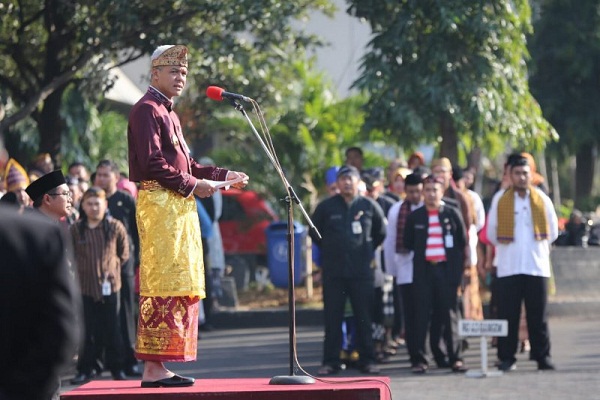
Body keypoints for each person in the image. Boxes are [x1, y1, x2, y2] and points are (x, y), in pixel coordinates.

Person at [127, 44, 248, 388]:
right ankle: (153, 368)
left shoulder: (170, 113)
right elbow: (153, 164)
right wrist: (195, 185)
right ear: (155, 74)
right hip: (160, 205)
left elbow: (188, 165)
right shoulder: (147, 110)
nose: (181, 78)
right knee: (163, 282)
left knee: (180, 281)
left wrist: (224, 177)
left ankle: (161, 365)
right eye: (173, 71)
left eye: (184, 72)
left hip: (177, 205)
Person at [0, 134, 82, 400]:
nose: (71, 199)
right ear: (46, 199)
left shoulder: (53, 230)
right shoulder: (30, 235)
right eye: (65, 194)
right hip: (30, 369)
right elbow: (61, 323)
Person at [310, 165, 386, 376]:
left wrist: (365, 250)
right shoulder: (326, 207)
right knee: (333, 319)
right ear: (338, 183)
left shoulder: (369, 206)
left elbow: (381, 232)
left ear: (357, 182)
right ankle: (331, 361)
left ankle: (367, 360)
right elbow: (314, 231)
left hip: (361, 272)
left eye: (350, 178)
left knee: (364, 317)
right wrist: (332, 248)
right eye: (342, 179)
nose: (346, 183)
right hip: (334, 272)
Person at [486, 154, 559, 372]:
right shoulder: (500, 198)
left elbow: (553, 231)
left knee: (538, 315)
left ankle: (542, 356)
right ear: (510, 175)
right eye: (517, 173)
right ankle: (507, 357)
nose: (521, 177)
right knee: (508, 313)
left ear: (531, 175)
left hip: (536, 266)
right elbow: (491, 233)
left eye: (525, 173)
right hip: (509, 267)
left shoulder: (542, 199)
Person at [403, 175, 468, 373]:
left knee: (449, 315)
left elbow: (461, 241)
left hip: (446, 271)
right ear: (423, 192)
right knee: (420, 315)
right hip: (423, 271)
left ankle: (455, 356)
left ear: (442, 192)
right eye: (428, 190)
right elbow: (408, 242)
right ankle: (420, 359)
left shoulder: (451, 213)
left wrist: (459, 272)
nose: (431, 194)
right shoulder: (416, 217)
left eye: (435, 190)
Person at [70, 187, 130, 384]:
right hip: (84, 286)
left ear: (105, 205)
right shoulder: (76, 229)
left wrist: (111, 268)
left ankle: (117, 368)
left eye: (98, 203)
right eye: (90, 203)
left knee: (113, 329)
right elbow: (69, 255)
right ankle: (86, 369)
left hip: (111, 286)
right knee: (87, 330)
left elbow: (123, 253)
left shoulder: (115, 227)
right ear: (83, 206)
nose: (94, 208)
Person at [95, 159, 142, 377]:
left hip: (123, 265)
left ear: (116, 177)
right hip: (97, 267)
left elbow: (137, 232)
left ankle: (130, 359)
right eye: (99, 175)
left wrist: (137, 259)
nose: (102, 179)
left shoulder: (125, 200)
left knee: (125, 313)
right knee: (102, 313)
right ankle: (103, 360)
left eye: (106, 175)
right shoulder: (93, 200)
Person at [383, 173, 424, 372]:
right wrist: (392, 271)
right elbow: (390, 242)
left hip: (429, 272)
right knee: (411, 316)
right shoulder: (397, 210)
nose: (415, 195)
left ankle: (432, 352)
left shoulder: (432, 208)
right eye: (411, 192)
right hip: (405, 270)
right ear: (405, 191)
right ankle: (415, 356)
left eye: (418, 191)